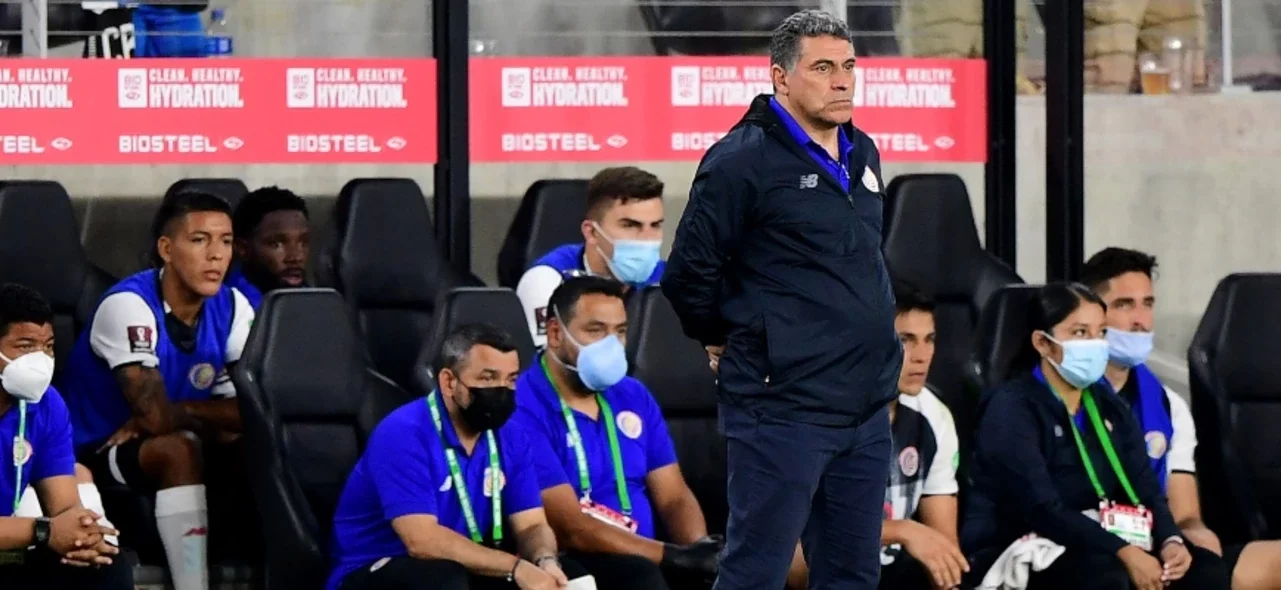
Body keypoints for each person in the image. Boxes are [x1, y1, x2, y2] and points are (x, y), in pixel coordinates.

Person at [663, 9, 902, 589]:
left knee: (853, 576)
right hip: (782, 410)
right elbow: (688, 274)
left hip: (864, 409)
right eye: (822, 68)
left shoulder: (862, 151)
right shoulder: (741, 160)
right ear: (781, 78)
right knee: (755, 574)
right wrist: (726, 337)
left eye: (848, 66)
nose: (842, 80)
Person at [962, 282, 1228, 590]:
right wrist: (1123, 550)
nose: (1095, 343)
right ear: (1043, 344)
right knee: (1106, 576)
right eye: (1079, 333)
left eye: (1101, 332)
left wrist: (1170, 540)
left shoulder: (1108, 404)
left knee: (1204, 570)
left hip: (1104, 536)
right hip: (1026, 540)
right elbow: (1041, 509)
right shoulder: (1011, 407)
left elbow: (1148, 490)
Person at [58, 190, 255, 590]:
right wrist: (181, 416)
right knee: (176, 446)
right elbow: (156, 420)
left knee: (254, 443)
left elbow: (254, 410)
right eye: (199, 240)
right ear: (166, 248)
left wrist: (183, 411)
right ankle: (192, 585)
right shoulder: (129, 305)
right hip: (92, 450)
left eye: (226, 241)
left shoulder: (234, 306)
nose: (216, 254)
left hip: (162, 436)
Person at [328, 324, 587, 590]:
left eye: (510, 380)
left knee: (569, 574)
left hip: (462, 561)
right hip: (379, 566)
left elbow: (531, 525)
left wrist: (544, 560)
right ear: (449, 382)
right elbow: (422, 541)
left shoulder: (512, 436)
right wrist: (515, 567)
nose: (501, 390)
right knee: (445, 581)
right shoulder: (403, 433)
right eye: (488, 378)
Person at [1082, 247, 1281, 590]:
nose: (1141, 320)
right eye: (1124, 305)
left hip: (1157, 541)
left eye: (1148, 303)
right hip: (1091, 548)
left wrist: (1193, 532)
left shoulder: (1167, 405)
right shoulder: (1060, 398)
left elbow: (1185, 512)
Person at [507, 276, 721, 589]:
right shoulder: (522, 406)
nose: (611, 343)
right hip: (575, 557)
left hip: (651, 553)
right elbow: (569, 527)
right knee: (641, 578)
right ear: (555, 333)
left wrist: (700, 553)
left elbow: (673, 495)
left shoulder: (633, 394)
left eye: (619, 331)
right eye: (596, 330)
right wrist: (674, 557)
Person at [787, 282, 964, 590]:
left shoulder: (934, 416)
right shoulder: (813, 418)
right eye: (906, 340)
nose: (922, 356)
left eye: (929, 339)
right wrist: (900, 531)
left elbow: (944, 555)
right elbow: (795, 564)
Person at [0, 283, 133, 589]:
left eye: (47, 346)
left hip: (8, 555)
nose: (41, 359)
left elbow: (64, 508)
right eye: (24, 346)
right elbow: (48, 528)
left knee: (106, 568)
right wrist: (44, 531)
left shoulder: (46, 404)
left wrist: (84, 534)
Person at [517, 166, 665, 347]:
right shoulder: (548, 280)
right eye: (630, 225)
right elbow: (549, 367)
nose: (646, 239)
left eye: (655, 226)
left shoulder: (670, 281)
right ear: (592, 232)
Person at [228, 186, 311, 308]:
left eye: (303, 242)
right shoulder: (227, 309)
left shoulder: (319, 302)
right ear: (243, 249)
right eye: (276, 244)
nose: (296, 257)